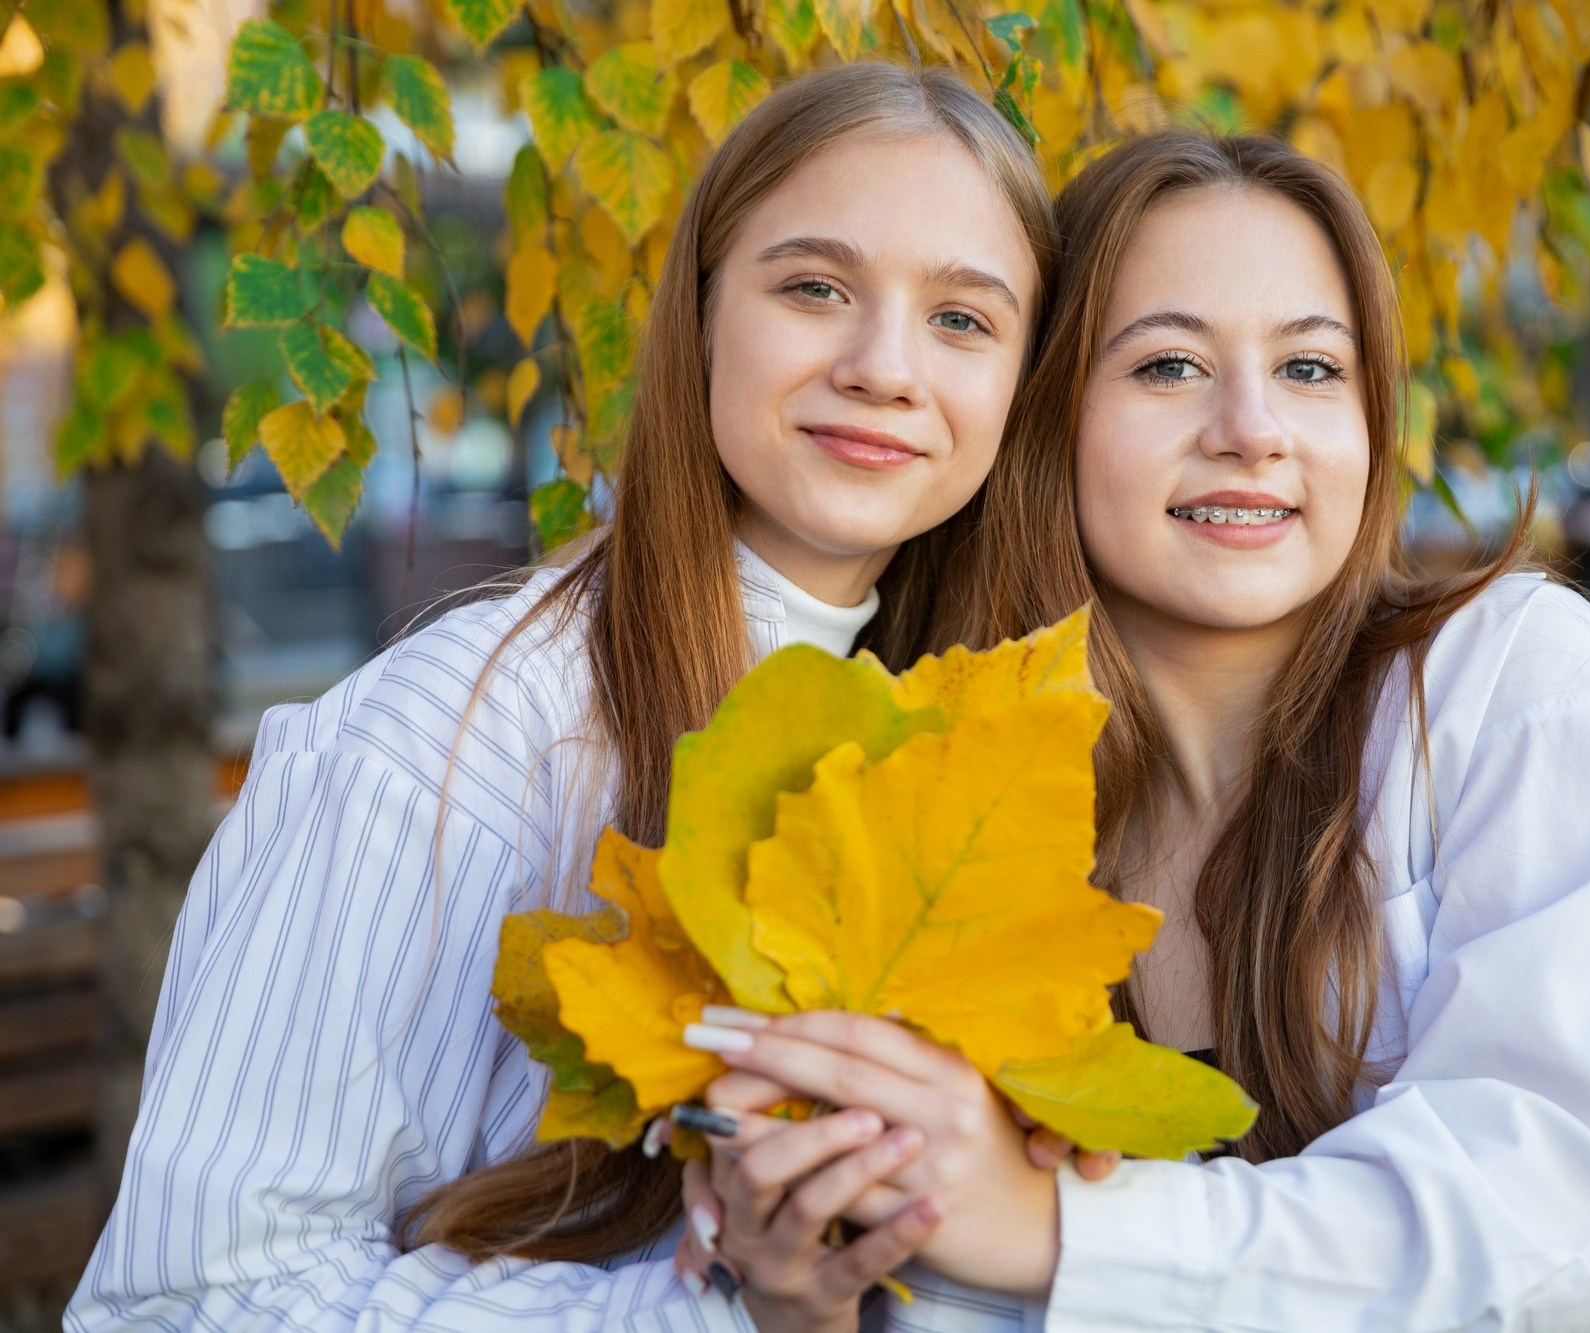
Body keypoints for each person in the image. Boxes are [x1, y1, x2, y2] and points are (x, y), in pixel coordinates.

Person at [678, 132, 1590, 1330]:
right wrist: (807, 1301)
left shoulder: (1513, 685)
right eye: (1169, 366)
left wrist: (1051, 1230)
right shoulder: (954, 813)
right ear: (1046, 415)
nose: (1250, 428)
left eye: (1307, 369)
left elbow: (1559, 1208)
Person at [66, 61, 1058, 1332]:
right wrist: (718, 1315)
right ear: (700, 315)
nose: (882, 364)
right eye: (814, 287)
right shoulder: (442, 751)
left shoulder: (972, 756)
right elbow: (191, 1301)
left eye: (962, 320)